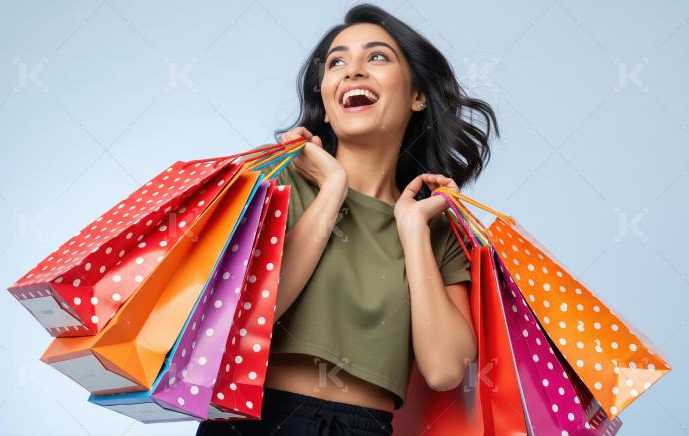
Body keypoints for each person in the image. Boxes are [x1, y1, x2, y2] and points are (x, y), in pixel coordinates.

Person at [197, 3, 498, 435]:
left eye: (377, 57)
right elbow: (250, 312)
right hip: (252, 420)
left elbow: (446, 370)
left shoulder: (435, 224)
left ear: (418, 96)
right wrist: (332, 188)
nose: (353, 71)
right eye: (337, 62)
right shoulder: (275, 182)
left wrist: (412, 232)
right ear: (323, 92)